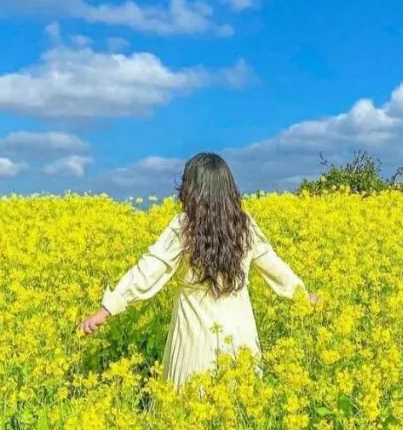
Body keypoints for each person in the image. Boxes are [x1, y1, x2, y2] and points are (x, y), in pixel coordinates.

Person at [79, 153, 317, 389]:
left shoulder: (184, 228)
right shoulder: (244, 226)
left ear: (191, 190)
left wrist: (106, 309)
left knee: (187, 412)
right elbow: (275, 267)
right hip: (240, 336)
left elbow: (149, 269)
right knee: (241, 412)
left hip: (193, 338)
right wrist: (303, 296)